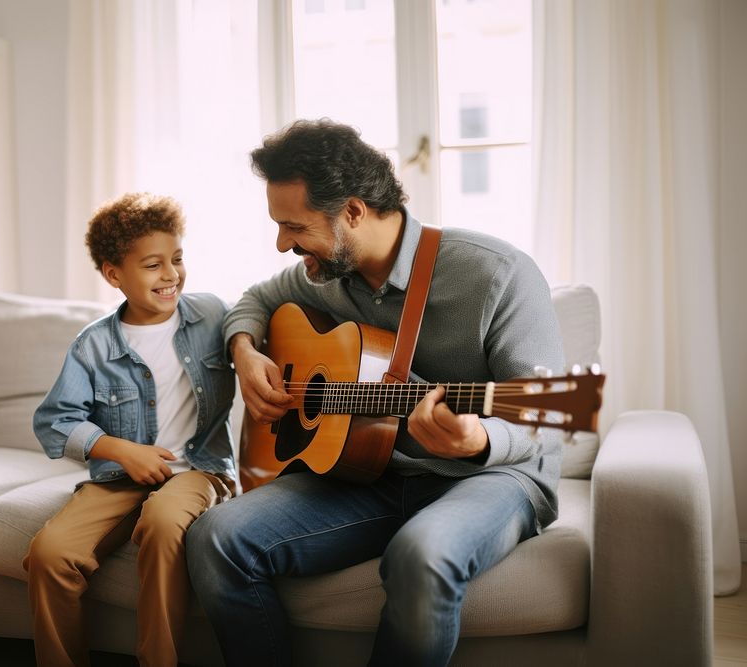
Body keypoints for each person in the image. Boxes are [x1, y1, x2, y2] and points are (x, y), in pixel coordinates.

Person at [185, 119, 565, 666]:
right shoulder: (323, 274)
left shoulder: (496, 274)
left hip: (491, 476)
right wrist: (244, 350)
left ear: (354, 212)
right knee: (215, 538)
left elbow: (545, 409)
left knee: (421, 553)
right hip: (369, 475)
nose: (282, 244)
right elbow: (253, 299)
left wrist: (477, 436)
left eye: (294, 227)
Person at [26, 192, 237, 667]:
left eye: (177, 259)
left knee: (163, 523)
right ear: (114, 274)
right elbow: (54, 422)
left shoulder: (212, 317)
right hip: (117, 477)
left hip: (196, 471)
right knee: (50, 553)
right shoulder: (93, 345)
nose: (171, 275)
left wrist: (247, 346)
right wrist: (120, 450)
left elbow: (259, 318)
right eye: (152, 264)